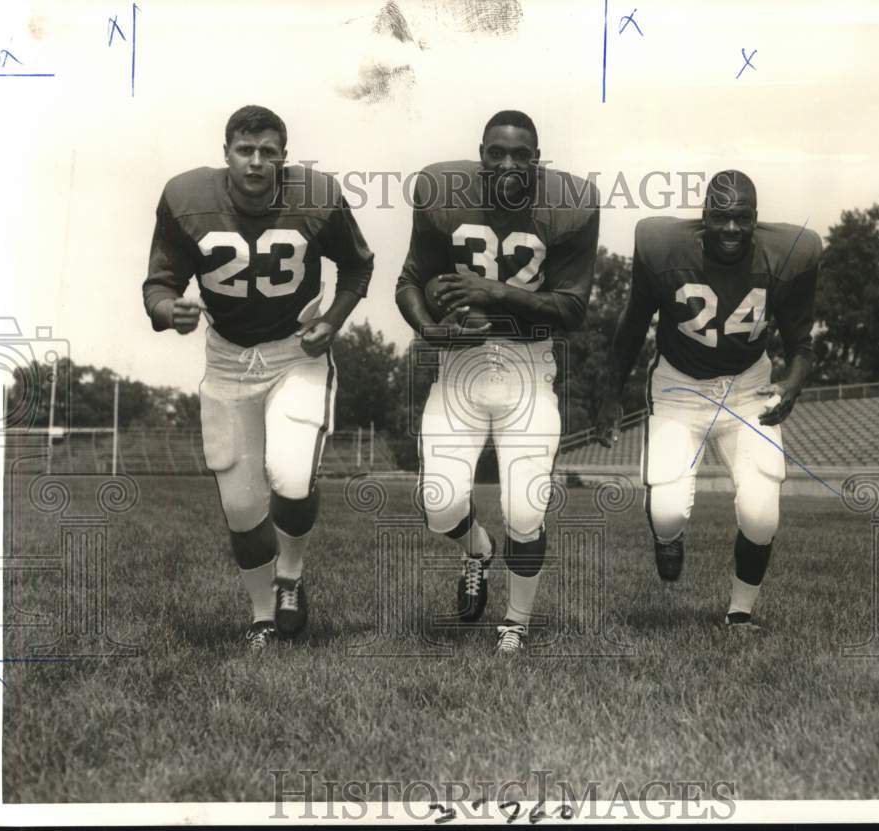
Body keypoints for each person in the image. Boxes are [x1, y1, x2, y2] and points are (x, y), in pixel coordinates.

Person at [143, 105, 374, 649]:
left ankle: (290, 577)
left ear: (283, 158)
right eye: (245, 150)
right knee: (243, 509)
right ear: (225, 153)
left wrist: (331, 321)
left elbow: (358, 265)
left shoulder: (317, 196)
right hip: (227, 361)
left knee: (292, 477)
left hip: (295, 351)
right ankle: (262, 616)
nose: (256, 162)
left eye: (268, 152)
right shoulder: (185, 197)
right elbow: (158, 282)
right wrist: (166, 310)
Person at [395, 110, 600, 653]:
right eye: (497, 153)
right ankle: (477, 549)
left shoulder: (570, 207)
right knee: (438, 503)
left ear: (538, 160)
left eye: (521, 155)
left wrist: (496, 294)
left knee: (527, 507)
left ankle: (516, 620)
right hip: (459, 365)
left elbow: (574, 308)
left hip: (528, 368)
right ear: (480, 155)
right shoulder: (442, 193)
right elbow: (410, 281)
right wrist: (429, 329)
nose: (508, 163)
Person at [595, 170, 820, 629]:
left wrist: (792, 383)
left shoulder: (789, 256)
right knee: (668, 511)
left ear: (756, 218)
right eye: (721, 217)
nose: (732, 229)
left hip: (747, 386)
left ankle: (739, 614)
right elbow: (633, 322)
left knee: (761, 513)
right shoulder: (663, 248)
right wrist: (611, 395)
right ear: (705, 217)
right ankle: (666, 534)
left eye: (742, 218)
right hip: (680, 385)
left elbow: (802, 345)